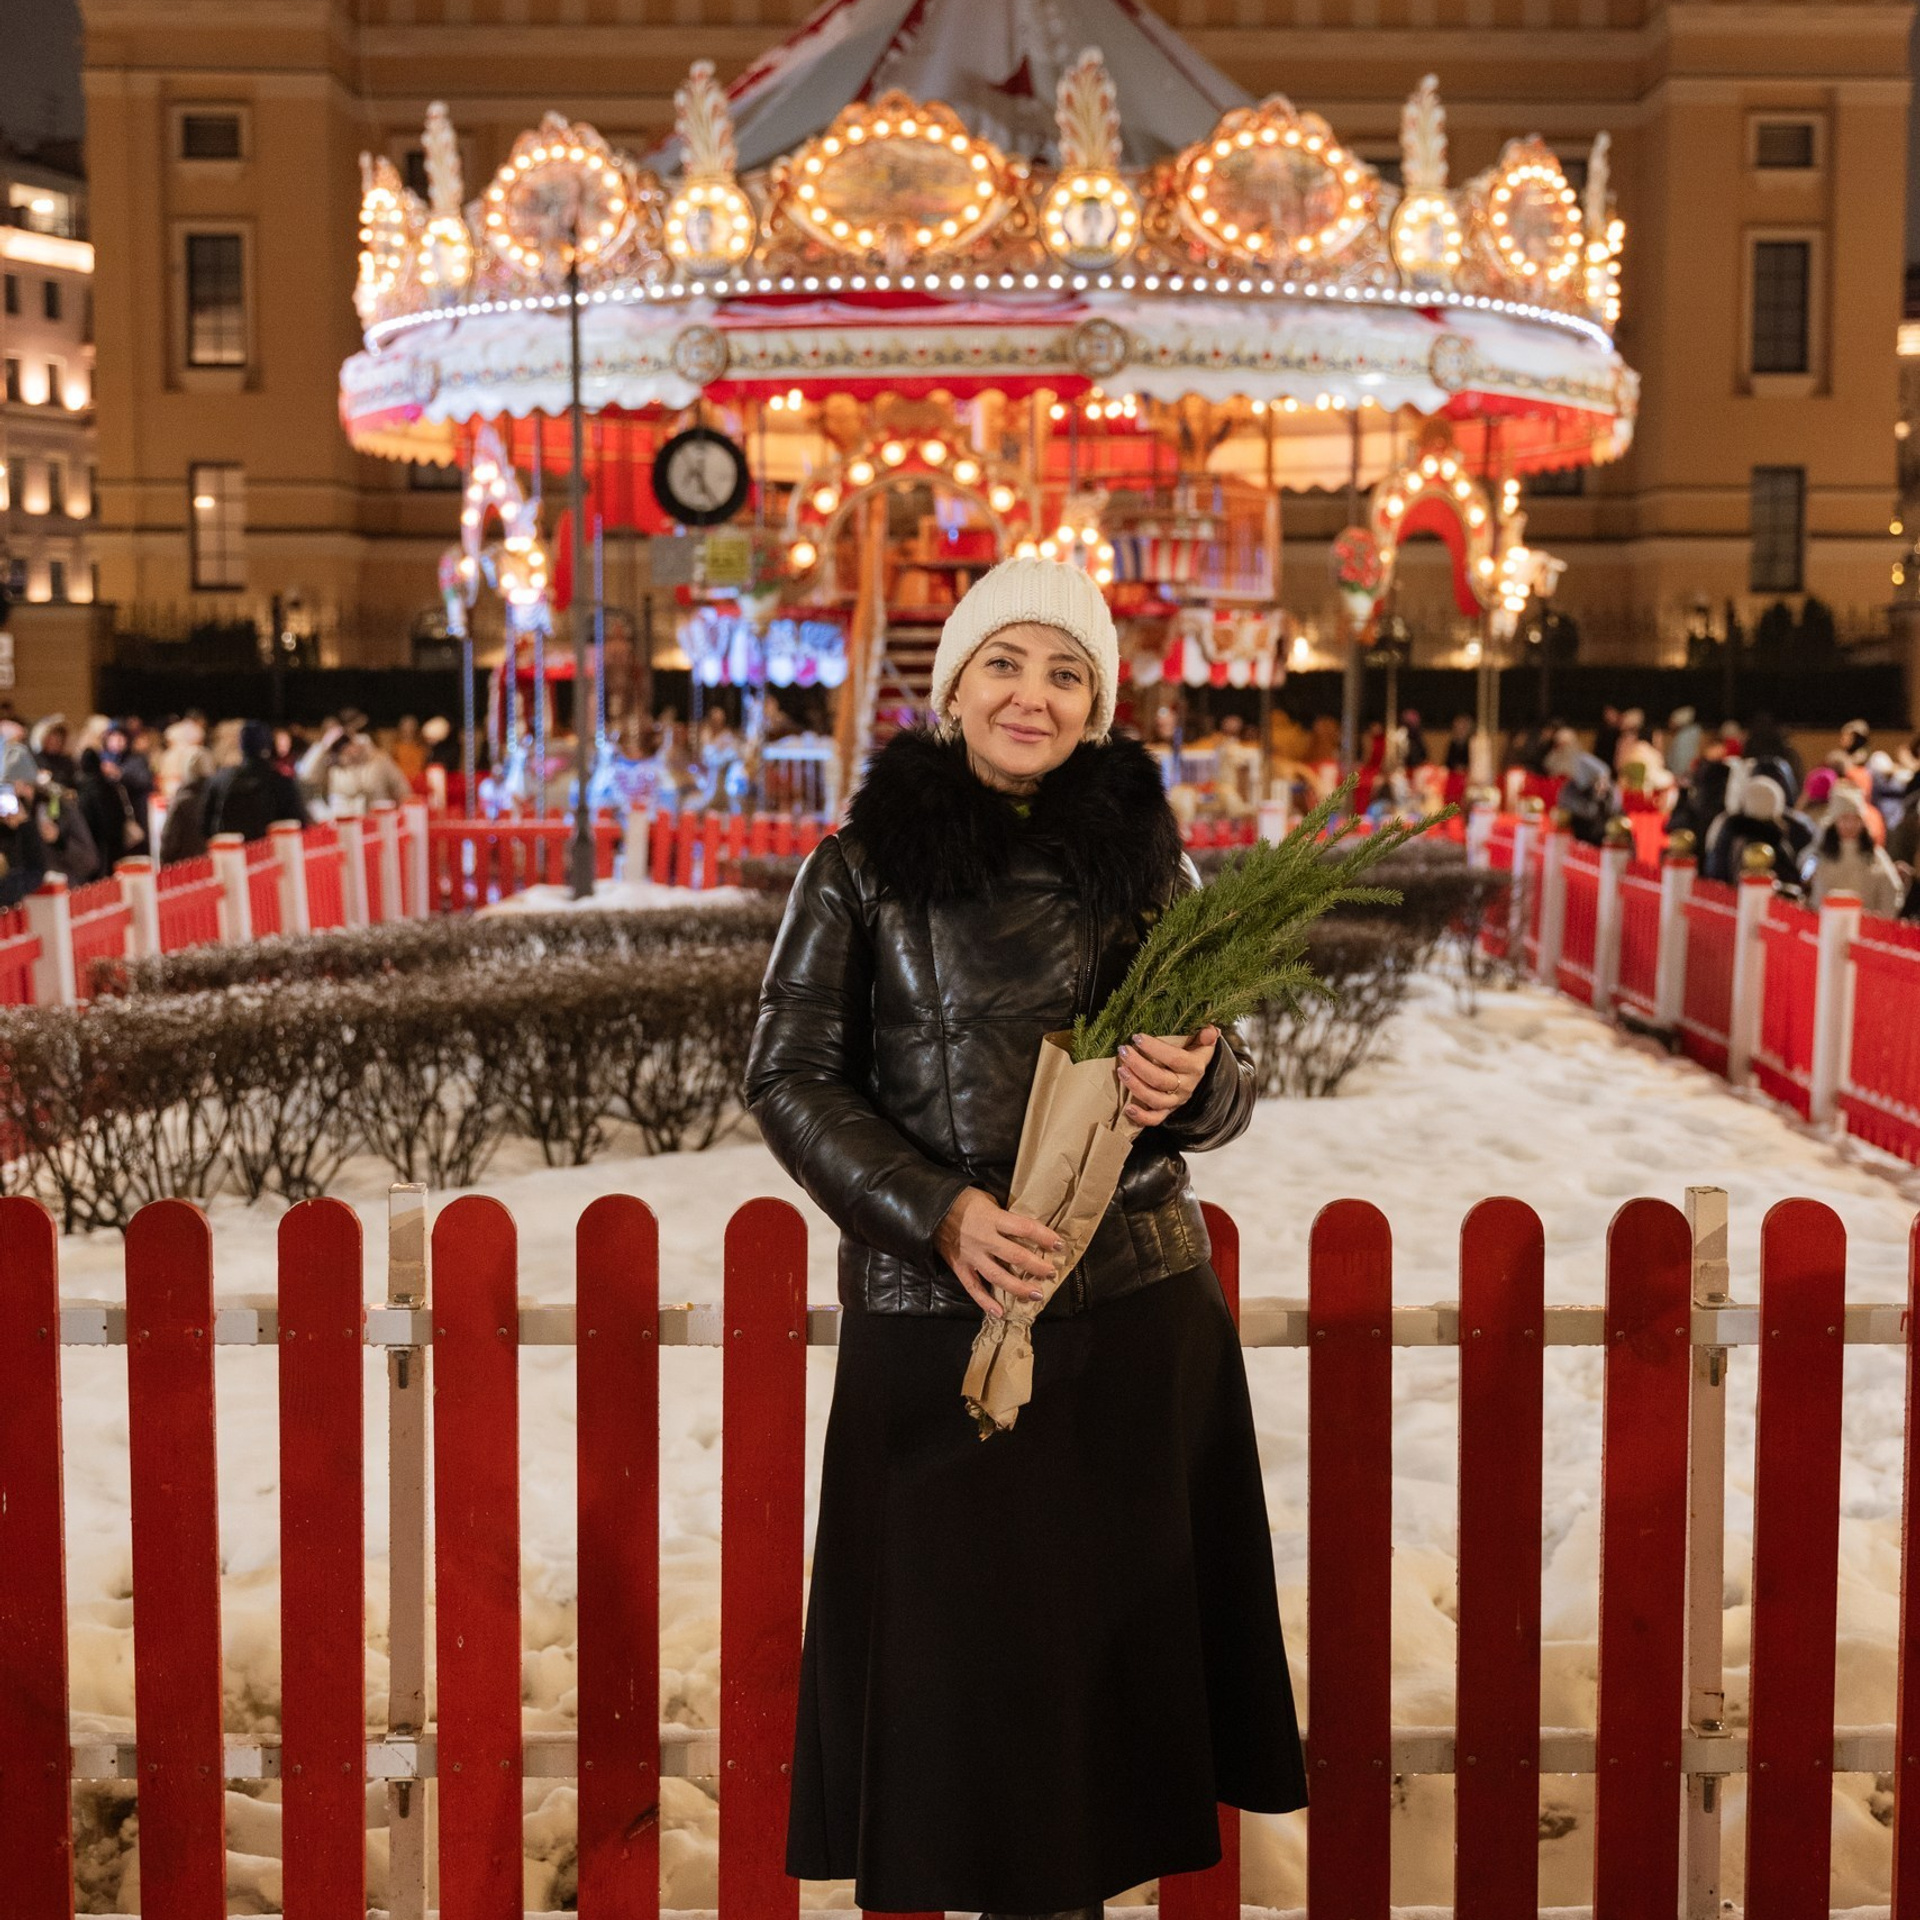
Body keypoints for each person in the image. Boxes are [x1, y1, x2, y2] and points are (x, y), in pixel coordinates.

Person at [745, 558, 1306, 1920]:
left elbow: (1227, 1075)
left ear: (1098, 707)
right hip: (940, 1323)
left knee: (1105, 1685)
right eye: (1005, 664)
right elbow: (789, 1073)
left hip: (1129, 1312)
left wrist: (1204, 1079)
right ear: (951, 690)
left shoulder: (1144, 867)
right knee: (961, 1684)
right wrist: (936, 1210)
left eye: (1067, 674)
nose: (1032, 696)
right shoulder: (861, 866)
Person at [202, 721, 310, 842]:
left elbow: (206, 827)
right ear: (269, 745)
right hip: (270, 855)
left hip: (232, 856)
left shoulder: (219, 780)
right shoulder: (281, 782)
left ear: (240, 745)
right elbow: (299, 824)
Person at [1802, 785, 1902, 915]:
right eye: (1844, 818)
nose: (1850, 825)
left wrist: (1880, 921)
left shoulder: (1874, 855)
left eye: (1855, 819)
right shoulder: (1819, 852)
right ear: (1835, 821)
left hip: (1863, 924)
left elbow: (1892, 890)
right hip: (1825, 921)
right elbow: (1805, 873)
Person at [1666, 706, 1703, 782]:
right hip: (1688, 774)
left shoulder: (1684, 737)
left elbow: (1681, 760)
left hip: (1682, 776)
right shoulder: (1691, 734)